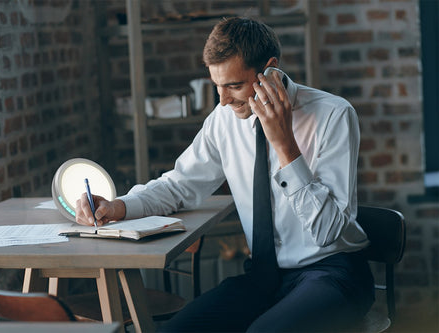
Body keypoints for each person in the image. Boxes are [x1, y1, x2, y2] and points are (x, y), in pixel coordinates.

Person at [75, 17, 374, 332]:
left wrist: (285, 145)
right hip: (262, 278)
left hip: (332, 274)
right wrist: (119, 206)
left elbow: (329, 232)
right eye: (216, 85)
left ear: (270, 70)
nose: (223, 100)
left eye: (234, 85)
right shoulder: (224, 119)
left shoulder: (334, 116)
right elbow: (179, 186)